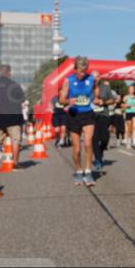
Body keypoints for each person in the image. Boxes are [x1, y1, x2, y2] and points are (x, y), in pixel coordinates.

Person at [59, 56, 100, 186]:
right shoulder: (68, 81)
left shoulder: (91, 79)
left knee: (88, 143)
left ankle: (88, 172)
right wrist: (67, 101)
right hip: (74, 115)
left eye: (85, 71)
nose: (82, 73)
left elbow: (95, 90)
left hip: (88, 114)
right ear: (75, 69)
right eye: (80, 71)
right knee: (77, 149)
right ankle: (78, 170)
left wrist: (96, 98)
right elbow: (61, 99)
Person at [0, 64, 26, 171]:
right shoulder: (14, 85)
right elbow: (22, 99)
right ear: (9, 72)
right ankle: (15, 163)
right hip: (13, 118)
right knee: (15, 140)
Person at [91, 80, 118, 171]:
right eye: (94, 77)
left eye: (97, 76)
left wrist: (104, 102)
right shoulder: (87, 87)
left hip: (103, 115)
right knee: (94, 138)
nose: (95, 78)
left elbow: (112, 100)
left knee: (105, 138)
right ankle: (98, 160)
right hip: (91, 116)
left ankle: (100, 151)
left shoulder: (105, 87)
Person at [123, 84, 135, 149]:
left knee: (134, 127)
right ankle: (129, 141)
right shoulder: (126, 97)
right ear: (128, 90)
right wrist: (127, 106)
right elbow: (123, 105)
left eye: (132, 89)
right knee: (129, 128)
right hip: (128, 113)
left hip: (134, 112)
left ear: (134, 90)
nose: (131, 90)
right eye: (130, 89)